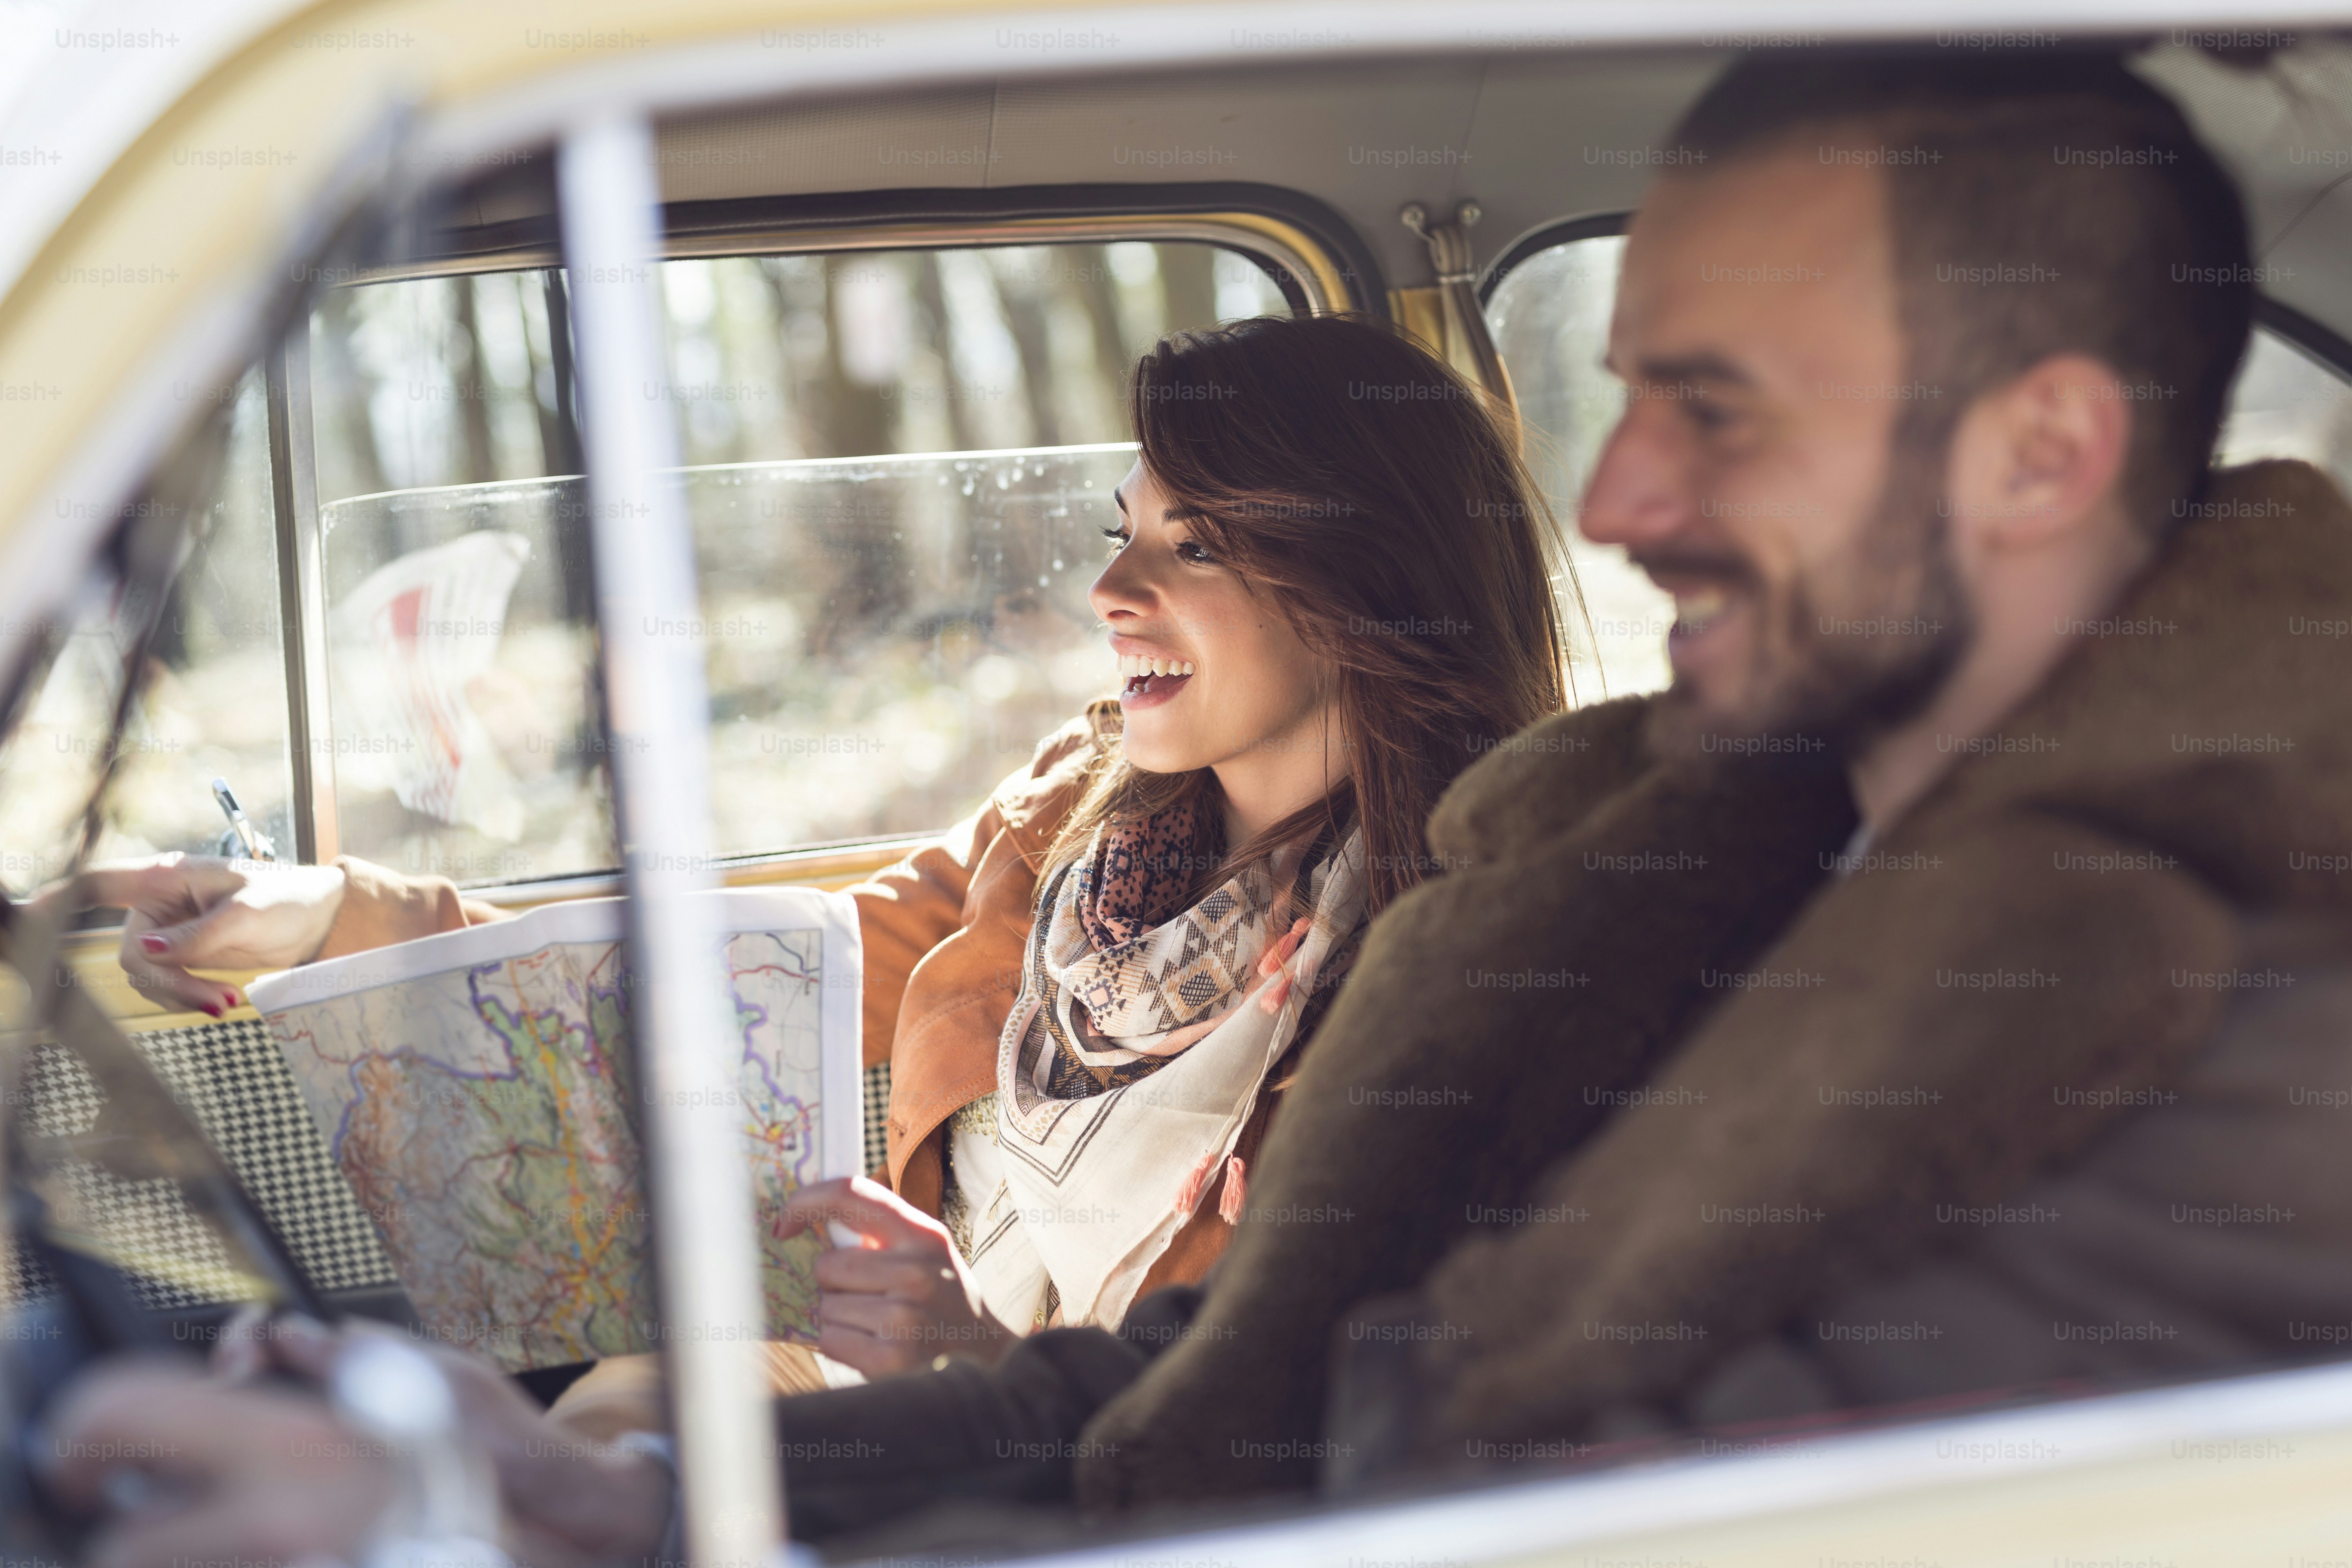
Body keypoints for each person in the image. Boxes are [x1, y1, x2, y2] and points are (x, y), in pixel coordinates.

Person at [47, 43, 2352, 1562]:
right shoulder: (1660, 852)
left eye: (1719, 413)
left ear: (2043, 451)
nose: (1619, 499)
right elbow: (1243, 1398)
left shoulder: (2234, 1045)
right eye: (1632, 396)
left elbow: (1448, 1509)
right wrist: (611, 1503)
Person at [55, 311, 1572, 1409]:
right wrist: (331, 914)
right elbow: (749, 979)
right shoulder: (1070, 817)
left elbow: (1328, 1433)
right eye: (1124, 533)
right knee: (601, 1411)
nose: (1111, 590)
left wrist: (982, 1360)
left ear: (1365, 584)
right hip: (926, 1380)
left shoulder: (1465, 964)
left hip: (1091, 1468)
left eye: (1197, 547)